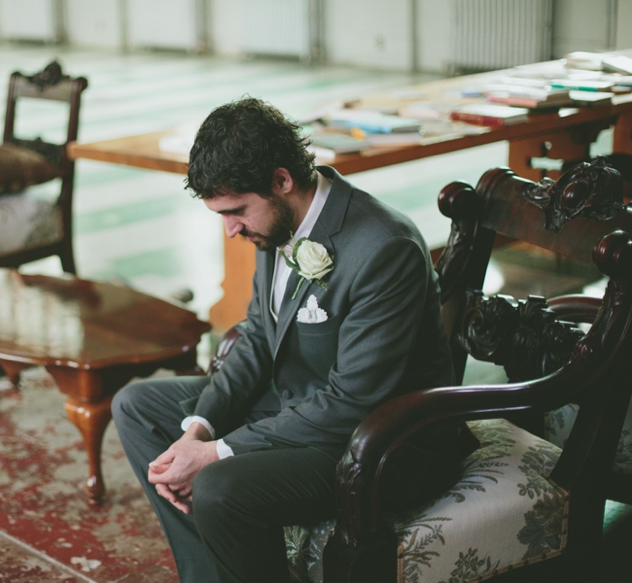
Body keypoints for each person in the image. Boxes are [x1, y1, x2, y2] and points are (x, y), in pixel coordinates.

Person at [111, 97, 477, 583]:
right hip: (303, 403)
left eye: (237, 211)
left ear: (282, 180)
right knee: (136, 406)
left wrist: (219, 452)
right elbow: (259, 337)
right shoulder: (277, 223)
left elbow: (354, 401)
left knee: (219, 484)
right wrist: (199, 429)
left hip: (378, 442)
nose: (230, 230)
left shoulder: (384, 248)